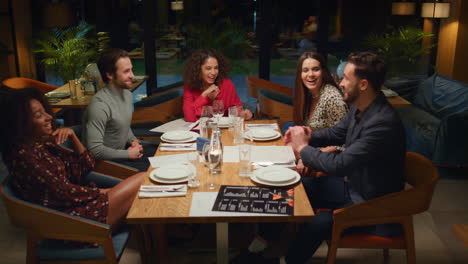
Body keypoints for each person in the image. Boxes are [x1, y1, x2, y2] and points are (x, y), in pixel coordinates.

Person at [282, 52, 406, 263]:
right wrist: (306, 133)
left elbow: (340, 165)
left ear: (364, 84)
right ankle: (266, 244)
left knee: (318, 222)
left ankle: (289, 260)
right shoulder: (362, 107)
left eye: (346, 78)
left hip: (373, 204)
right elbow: (336, 133)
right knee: (293, 186)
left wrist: (303, 148)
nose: (340, 83)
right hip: (354, 188)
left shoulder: (382, 123)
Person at [0, 87, 145, 229]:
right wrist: (104, 191)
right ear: (19, 124)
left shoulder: (41, 146)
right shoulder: (25, 157)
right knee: (144, 179)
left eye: (44, 111)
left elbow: (87, 165)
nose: (49, 117)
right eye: (39, 115)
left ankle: (157, 240)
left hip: (81, 205)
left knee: (144, 187)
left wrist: (73, 136)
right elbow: (63, 193)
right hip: (74, 219)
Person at [82, 48, 156, 172]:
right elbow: (94, 150)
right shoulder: (99, 105)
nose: (132, 75)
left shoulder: (127, 94)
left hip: (123, 153)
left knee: (165, 153)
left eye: (131, 70)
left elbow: (122, 125)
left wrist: (133, 140)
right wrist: (127, 154)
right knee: (155, 170)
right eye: (126, 71)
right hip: (106, 164)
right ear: (110, 75)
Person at [182, 48, 252, 122]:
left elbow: (235, 108)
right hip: (202, 130)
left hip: (224, 129)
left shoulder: (226, 84)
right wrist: (204, 95)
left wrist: (243, 114)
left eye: (216, 68)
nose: (213, 72)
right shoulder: (189, 88)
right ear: (198, 70)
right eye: (208, 68)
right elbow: (190, 118)